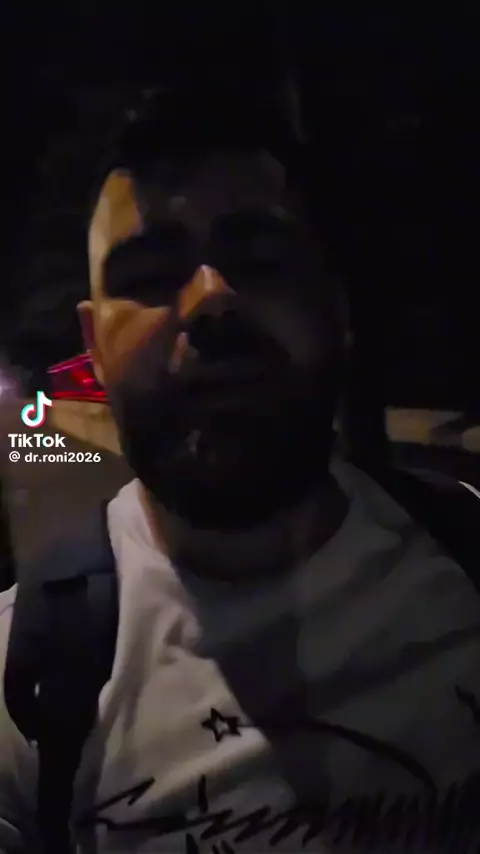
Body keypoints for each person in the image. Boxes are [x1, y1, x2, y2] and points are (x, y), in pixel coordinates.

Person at [0, 85, 479, 853]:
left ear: (339, 307)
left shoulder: (464, 564)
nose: (210, 299)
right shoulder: (22, 678)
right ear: (93, 348)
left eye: (259, 257)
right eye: (150, 273)